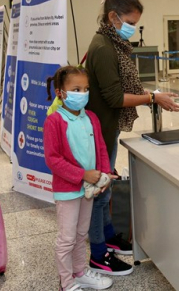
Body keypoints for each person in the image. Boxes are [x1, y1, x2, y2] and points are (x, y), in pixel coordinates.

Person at [85, 0, 179, 275]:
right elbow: (115, 97)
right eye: (130, 22)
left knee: (106, 188)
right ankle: (98, 254)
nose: (132, 29)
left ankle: (108, 237)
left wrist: (151, 94)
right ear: (113, 17)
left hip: (107, 126)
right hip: (99, 131)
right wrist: (152, 98)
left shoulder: (113, 42)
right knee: (99, 191)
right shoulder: (104, 47)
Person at [43, 66, 114, 291]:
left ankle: (80, 272)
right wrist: (82, 174)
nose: (82, 94)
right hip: (68, 190)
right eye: (76, 89)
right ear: (60, 93)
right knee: (67, 238)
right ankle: (66, 282)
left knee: (81, 233)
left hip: (89, 189)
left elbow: (100, 147)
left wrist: (104, 173)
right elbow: (53, 159)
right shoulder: (54, 121)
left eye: (86, 89)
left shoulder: (91, 117)